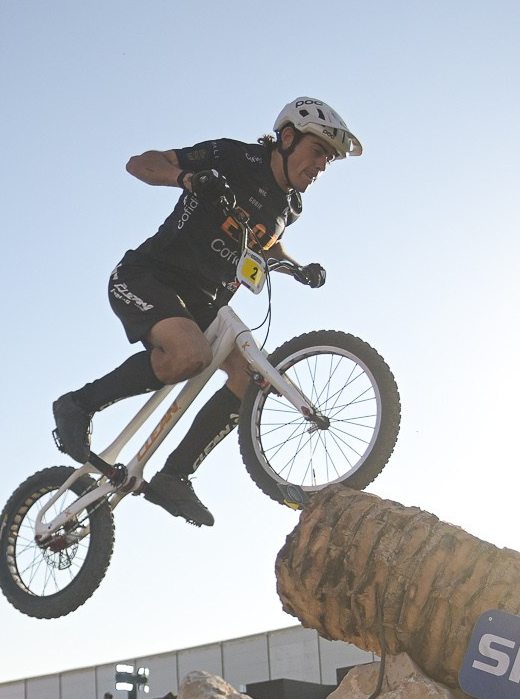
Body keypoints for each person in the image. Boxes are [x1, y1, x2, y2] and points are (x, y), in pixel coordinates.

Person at [51, 97, 361, 527]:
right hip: (146, 278)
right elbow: (140, 164)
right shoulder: (232, 156)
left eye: (328, 160)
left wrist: (296, 267)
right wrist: (190, 179)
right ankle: (77, 405)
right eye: (318, 153)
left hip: (205, 302)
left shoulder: (289, 207)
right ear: (288, 139)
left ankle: (175, 476)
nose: (321, 166)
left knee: (249, 379)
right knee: (189, 355)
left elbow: (265, 245)